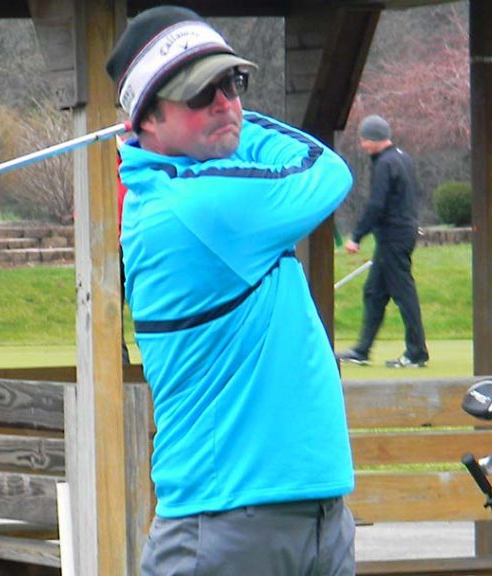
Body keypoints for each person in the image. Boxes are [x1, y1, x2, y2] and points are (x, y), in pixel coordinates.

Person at [105, 6, 356, 574]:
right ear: (146, 118)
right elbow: (325, 170)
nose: (226, 103)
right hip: (226, 525)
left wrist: (218, 122)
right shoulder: (193, 207)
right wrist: (238, 126)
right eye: (200, 94)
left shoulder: (199, 185)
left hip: (311, 509)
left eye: (232, 84)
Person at [337, 115, 429, 368]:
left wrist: (357, 236)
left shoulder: (385, 163)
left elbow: (376, 204)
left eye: (365, 140)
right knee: (374, 293)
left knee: (403, 294)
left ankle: (417, 352)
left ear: (376, 139)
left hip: (393, 237)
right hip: (401, 233)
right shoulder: (403, 158)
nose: (363, 144)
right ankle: (362, 350)